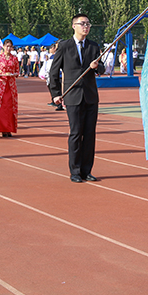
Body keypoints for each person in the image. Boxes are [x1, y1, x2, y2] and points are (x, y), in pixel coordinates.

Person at [49, 14, 105, 183]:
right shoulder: (64, 46)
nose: (86, 26)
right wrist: (55, 94)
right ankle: (75, 171)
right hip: (72, 96)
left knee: (89, 134)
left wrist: (97, 67)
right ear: (74, 26)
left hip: (90, 97)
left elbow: (101, 69)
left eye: (88, 24)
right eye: (82, 24)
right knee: (76, 133)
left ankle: (87, 171)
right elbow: (54, 72)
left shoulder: (94, 46)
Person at [0, 39, 19, 137]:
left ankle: (10, 128)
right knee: (2, 107)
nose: (8, 48)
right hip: (1, 85)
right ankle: (2, 128)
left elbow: (17, 72)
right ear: (3, 46)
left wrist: (13, 74)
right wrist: (2, 74)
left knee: (11, 107)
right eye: (7, 46)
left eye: (10, 46)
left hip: (11, 85)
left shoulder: (15, 59)